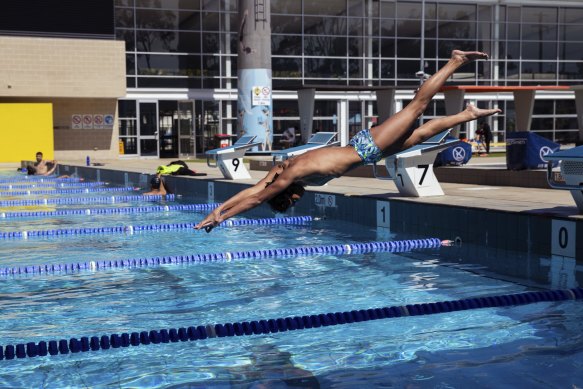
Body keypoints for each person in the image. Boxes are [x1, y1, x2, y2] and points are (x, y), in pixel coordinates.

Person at [196, 50, 502, 232]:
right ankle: (467, 114)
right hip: (369, 153)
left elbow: (255, 199)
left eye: (293, 201)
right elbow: (252, 190)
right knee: (421, 134)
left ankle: (454, 61)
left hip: (366, 146)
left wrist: (222, 218)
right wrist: (218, 211)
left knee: (416, 107)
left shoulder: (287, 176)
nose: (299, 200)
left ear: (286, 195)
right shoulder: (280, 171)